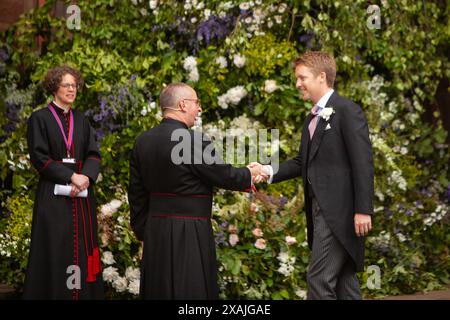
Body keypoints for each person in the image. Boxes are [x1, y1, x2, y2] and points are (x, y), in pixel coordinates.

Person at [251, 51, 374, 299]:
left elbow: (363, 163)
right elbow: (301, 162)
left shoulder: (347, 110)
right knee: (343, 283)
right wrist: (267, 170)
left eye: (301, 77)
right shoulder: (313, 116)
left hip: (339, 213)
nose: (297, 84)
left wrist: (363, 209)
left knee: (318, 279)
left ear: (321, 77)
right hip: (321, 212)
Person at [128, 83, 258, 299]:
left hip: (156, 231)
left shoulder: (142, 141)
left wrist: (144, 231)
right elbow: (224, 175)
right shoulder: (192, 140)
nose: (199, 109)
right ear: (182, 104)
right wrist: (250, 173)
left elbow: (136, 193)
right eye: (197, 103)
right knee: (190, 290)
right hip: (190, 230)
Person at [24, 65, 104, 299]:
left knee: (81, 249)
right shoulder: (39, 118)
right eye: (66, 85)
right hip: (54, 196)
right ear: (54, 87)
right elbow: (39, 158)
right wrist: (70, 176)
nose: (72, 89)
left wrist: (86, 177)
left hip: (82, 197)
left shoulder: (82, 120)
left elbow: (93, 154)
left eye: (74, 85)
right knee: (56, 250)